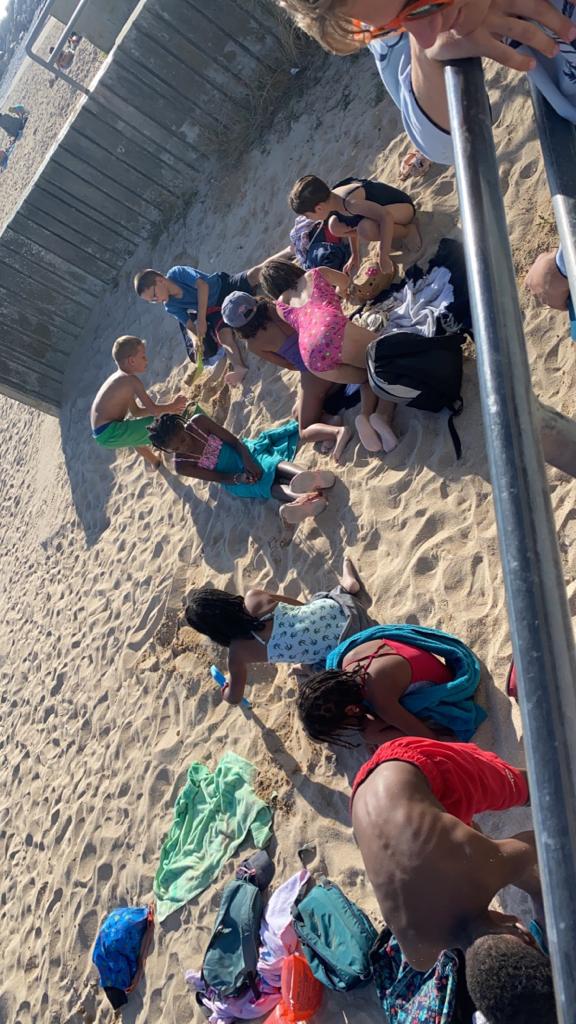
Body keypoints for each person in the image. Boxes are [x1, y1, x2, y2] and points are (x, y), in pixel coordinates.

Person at [276, 0, 576, 313]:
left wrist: (566, 262)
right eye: (393, 27)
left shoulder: (349, 205)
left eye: (420, 4)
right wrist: (429, 52)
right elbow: (446, 143)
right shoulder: (396, 18)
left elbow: (385, 216)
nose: (422, 33)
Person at [351, 736, 556, 1022]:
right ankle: (477, 842)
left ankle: (527, 791)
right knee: (476, 848)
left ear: (523, 932)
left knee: (515, 788)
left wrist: (537, 896)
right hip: (362, 802)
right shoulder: (420, 955)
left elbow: (540, 843)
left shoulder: (481, 873)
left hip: (405, 765)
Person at [184, 556, 374, 705]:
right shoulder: (253, 597)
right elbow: (299, 606)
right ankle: (348, 587)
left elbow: (234, 698)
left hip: (347, 646)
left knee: (316, 670)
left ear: (212, 631)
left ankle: (305, 666)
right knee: (317, 603)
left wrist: (226, 690)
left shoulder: (237, 654)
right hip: (347, 610)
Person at [260, 257, 399, 453]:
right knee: (386, 360)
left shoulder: (281, 305)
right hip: (332, 329)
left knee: (365, 376)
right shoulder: (316, 273)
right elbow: (347, 283)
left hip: (311, 357)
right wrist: (339, 292)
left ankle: (365, 415)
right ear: (290, 267)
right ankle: (383, 416)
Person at [221, 290, 353, 461]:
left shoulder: (253, 344)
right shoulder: (277, 306)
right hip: (332, 346)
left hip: (314, 369)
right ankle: (331, 420)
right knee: (296, 411)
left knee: (304, 430)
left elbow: (289, 365)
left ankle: (338, 431)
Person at [147, 410, 338, 525]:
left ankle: (309, 476)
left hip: (242, 452)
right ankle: (303, 500)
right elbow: (218, 477)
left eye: (182, 440)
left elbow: (234, 441)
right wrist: (240, 478)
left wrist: (248, 461)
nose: (183, 447)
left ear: (182, 428)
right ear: (168, 450)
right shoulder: (182, 465)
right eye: (176, 448)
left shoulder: (199, 423)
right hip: (232, 477)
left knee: (269, 464)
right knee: (263, 486)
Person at [298, 631, 457, 745]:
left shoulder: (381, 701)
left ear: (352, 709)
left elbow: (429, 739)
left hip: (440, 680)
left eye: (345, 725)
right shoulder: (348, 660)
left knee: (370, 733)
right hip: (411, 659)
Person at [134, 261, 267, 386]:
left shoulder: (177, 273)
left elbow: (203, 286)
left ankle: (280, 257)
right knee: (224, 337)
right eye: (152, 301)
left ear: (160, 280)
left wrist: (202, 318)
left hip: (222, 286)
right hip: (214, 310)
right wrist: (195, 340)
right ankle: (239, 367)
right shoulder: (170, 305)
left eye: (154, 295)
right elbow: (188, 324)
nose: (156, 300)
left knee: (253, 275)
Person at [289, 173, 418, 276]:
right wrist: (355, 255)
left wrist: (383, 256)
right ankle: (390, 234)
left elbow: (386, 216)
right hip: (382, 214)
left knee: (365, 229)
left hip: (403, 209)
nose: (308, 219)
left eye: (307, 216)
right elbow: (351, 221)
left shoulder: (350, 203)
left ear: (319, 208)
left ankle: (407, 232)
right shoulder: (332, 201)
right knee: (334, 226)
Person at [90, 335, 187, 469]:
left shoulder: (121, 379)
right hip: (109, 431)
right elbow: (153, 410)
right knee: (158, 426)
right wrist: (173, 406)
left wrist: (167, 408)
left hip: (102, 432)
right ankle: (183, 448)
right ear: (131, 361)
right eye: (143, 357)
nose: (146, 360)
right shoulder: (131, 381)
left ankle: (154, 461)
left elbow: (136, 412)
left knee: (135, 432)